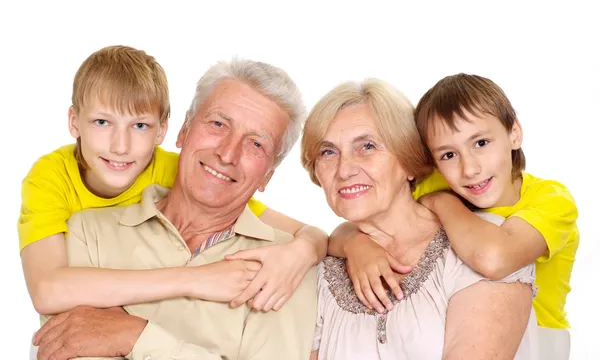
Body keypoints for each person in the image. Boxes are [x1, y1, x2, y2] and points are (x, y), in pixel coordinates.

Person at [33, 58, 318, 360]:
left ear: (267, 176)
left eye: (256, 144)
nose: (227, 153)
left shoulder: (285, 266)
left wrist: (135, 336)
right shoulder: (88, 233)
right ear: (183, 131)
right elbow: (68, 348)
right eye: (218, 124)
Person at [302, 79, 538, 359]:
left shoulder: (481, 247)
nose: (344, 170)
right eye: (328, 152)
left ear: (408, 160)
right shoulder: (319, 275)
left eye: (366, 147)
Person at [328, 74, 578, 334]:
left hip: (535, 338)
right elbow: (347, 231)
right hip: (456, 328)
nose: (469, 169)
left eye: (481, 143)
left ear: (514, 133)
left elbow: (493, 259)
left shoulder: (551, 201)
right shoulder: (432, 182)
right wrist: (357, 244)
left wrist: (442, 202)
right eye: (448, 154)